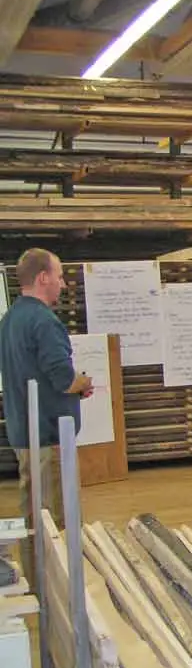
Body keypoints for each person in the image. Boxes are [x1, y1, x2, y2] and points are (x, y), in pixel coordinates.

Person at [0, 249, 93, 587]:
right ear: (43, 278)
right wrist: (84, 383)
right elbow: (63, 378)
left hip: (25, 435)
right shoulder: (44, 321)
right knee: (57, 521)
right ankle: (63, 594)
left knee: (34, 519)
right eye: (59, 276)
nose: (63, 284)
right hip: (49, 437)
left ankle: (38, 586)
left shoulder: (10, 320)